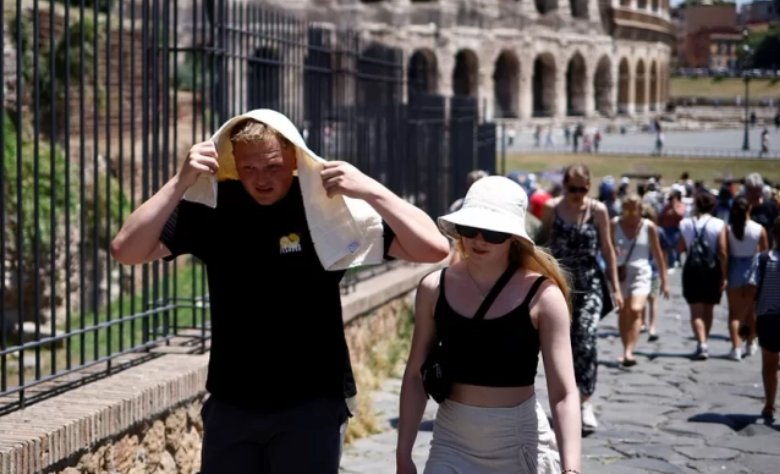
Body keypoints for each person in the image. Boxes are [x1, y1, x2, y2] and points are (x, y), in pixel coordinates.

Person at [109, 117, 450, 474]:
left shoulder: (323, 207)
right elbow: (126, 250)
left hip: (312, 403)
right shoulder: (215, 206)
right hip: (232, 402)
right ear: (233, 162)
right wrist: (180, 182)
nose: (261, 179)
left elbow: (432, 248)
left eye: (273, 166)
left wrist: (370, 189)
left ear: (294, 158)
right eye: (249, 168)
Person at [397, 176, 582, 474]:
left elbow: (563, 392)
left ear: (513, 237)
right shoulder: (433, 288)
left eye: (493, 232)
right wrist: (403, 453)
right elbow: (415, 375)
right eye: (470, 228)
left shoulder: (544, 296)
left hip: (519, 443)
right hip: (451, 442)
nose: (479, 239)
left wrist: (571, 469)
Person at [542, 163, 622, 430]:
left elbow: (607, 249)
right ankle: (564, 399)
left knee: (586, 340)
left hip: (590, 283)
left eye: (582, 189)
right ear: (564, 186)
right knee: (560, 344)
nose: (577, 194)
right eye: (572, 188)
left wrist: (616, 287)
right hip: (559, 284)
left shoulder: (598, 211)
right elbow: (541, 245)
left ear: (589, 187)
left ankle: (585, 401)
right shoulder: (552, 208)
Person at [612, 195, 669, 366]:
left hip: (642, 273)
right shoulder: (615, 224)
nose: (630, 213)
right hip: (621, 273)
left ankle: (629, 351)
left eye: (634, 209)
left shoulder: (648, 226)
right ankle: (625, 349)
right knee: (624, 311)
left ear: (641, 209)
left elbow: (658, 254)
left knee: (636, 310)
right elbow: (605, 248)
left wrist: (664, 280)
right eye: (627, 209)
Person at [677, 192, 728, 361]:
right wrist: (724, 275)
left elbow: (680, 248)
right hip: (712, 270)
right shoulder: (719, 224)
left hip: (692, 270)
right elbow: (722, 251)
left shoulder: (686, 223)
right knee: (709, 308)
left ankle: (701, 343)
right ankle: (704, 339)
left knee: (696, 311)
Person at [745, 216, 780, 421]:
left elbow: (752, 288)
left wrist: (748, 319)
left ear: (774, 235)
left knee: (769, 363)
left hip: (768, 318)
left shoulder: (763, 259)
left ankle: (769, 405)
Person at [726, 195, 768, 360]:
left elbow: (725, 252)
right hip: (753, 269)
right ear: (750, 208)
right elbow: (765, 254)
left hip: (735, 269)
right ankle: (751, 343)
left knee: (735, 313)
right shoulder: (759, 229)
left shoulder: (729, 229)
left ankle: (736, 347)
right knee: (752, 311)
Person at [744, 173, 779, 247]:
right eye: (751, 191)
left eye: (757, 191)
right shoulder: (740, 206)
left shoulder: (771, 206)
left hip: (766, 250)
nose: (755, 194)